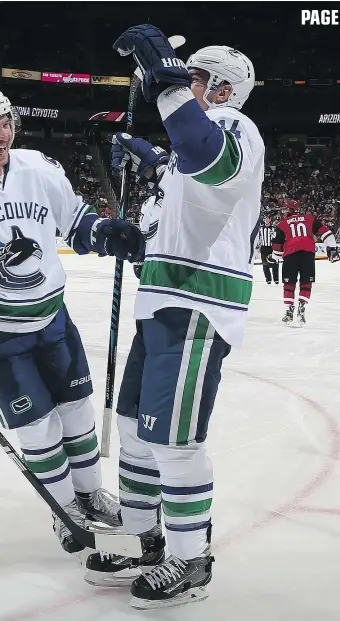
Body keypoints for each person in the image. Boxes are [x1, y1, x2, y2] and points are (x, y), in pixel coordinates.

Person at [0, 85, 144, 555]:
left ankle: (90, 492)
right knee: (37, 426)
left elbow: (76, 221)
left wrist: (106, 233)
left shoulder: (39, 167)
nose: (3, 134)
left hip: (54, 317)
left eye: (6, 122)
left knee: (77, 410)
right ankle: (62, 509)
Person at [82, 27, 265, 610]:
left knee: (175, 440)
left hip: (196, 305)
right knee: (137, 429)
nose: (188, 85)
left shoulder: (236, 129)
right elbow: (177, 216)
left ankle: (191, 559)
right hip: (162, 302)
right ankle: (148, 538)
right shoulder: (186, 154)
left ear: (223, 89)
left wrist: (161, 77)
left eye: (196, 79)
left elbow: (208, 158)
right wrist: (138, 222)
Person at [272, 204, 339, 326]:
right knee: (306, 283)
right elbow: (326, 233)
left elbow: (277, 246)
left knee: (289, 284)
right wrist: (332, 249)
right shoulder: (310, 219)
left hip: (290, 254)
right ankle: (302, 307)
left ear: (289, 211)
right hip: (307, 254)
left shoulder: (282, 224)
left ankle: (289, 310)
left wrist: (275, 257)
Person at [258, 216, 280, 284]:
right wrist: (259, 247)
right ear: (264, 220)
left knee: (275, 264)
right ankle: (268, 279)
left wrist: (273, 234)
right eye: (265, 219)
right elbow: (260, 238)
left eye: (268, 219)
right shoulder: (261, 228)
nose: (267, 220)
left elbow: (275, 237)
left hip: (272, 248)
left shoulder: (273, 228)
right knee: (265, 265)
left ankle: (276, 279)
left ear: (270, 220)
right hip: (264, 248)